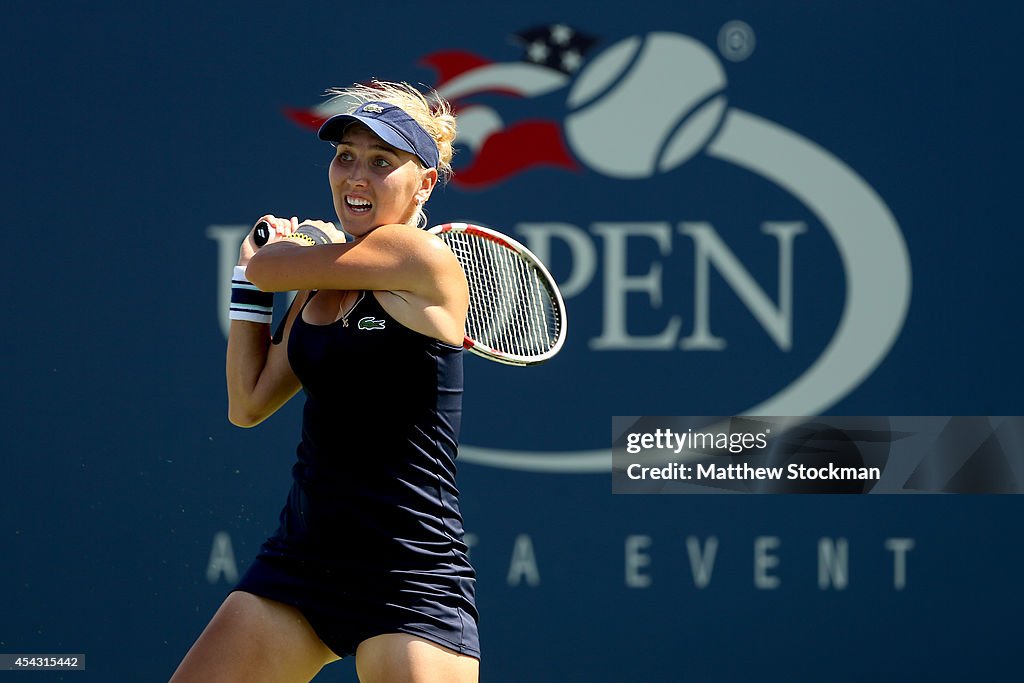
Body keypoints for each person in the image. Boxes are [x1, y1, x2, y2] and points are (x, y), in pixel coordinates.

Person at [171, 81, 479, 682]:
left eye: (382, 162)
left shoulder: (422, 257)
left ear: (426, 184)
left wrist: (270, 254)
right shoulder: (322, 282)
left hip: (410, 578)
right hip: (301, 566)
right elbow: (249, 402)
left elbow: (266, 263)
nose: (356, 176)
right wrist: (251, 279)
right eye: (345, 157)